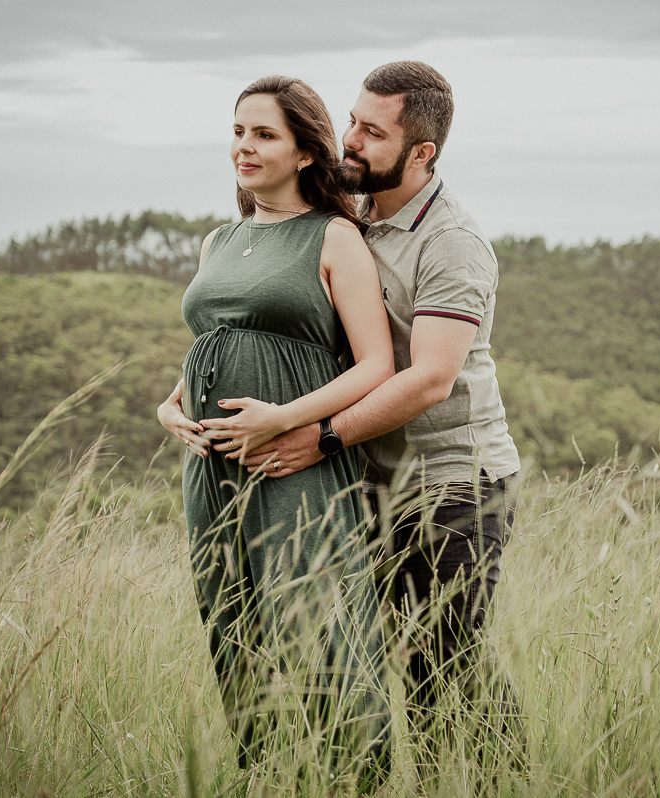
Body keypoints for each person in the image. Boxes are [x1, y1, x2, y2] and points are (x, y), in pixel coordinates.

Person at [199, 62, 527, 780]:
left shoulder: (451, 242)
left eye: (372, 132)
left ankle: (498, 785)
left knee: (445, 663)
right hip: (359, 481)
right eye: (351, 120)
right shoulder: (349, 217)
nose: (352, 139)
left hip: (450, 483)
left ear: (423, 154)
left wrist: (315, 437)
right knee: (358, 662)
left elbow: (429, 378)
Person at [156, 75, 394, 786]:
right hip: (214, 471)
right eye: (237, 132)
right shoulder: (218, 240)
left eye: (263, 134)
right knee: (234, 632)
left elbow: (376, 364)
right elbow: (214, 344)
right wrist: (168, 409)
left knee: (320, 636)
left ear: (303, 151)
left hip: (296, 464)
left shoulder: (334, 236)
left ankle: (358, 781)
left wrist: (287, 419)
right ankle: (267, 779)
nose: (244, 147)